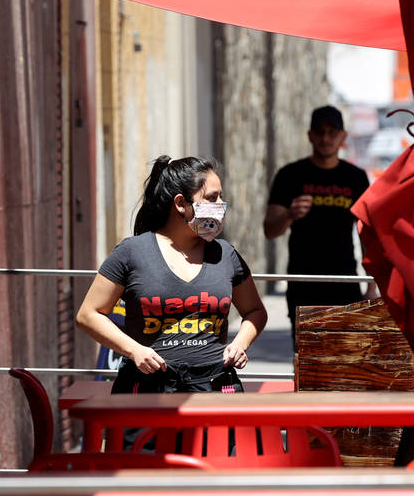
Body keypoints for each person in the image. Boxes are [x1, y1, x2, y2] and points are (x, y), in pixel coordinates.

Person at [76, 155, 267, 393]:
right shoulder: (132, 252)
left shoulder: (226, 255)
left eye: (220, 197)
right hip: (147, 388)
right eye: (211, 198)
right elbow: (88, 315)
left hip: (215, 386)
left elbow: (255, 311)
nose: (221, 205)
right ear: (180, 203)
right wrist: (134, 350)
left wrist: (240, 343)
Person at [264, 105, 371, 337]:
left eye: (332, 132)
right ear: (310, 135)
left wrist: (372, 286)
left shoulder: (356, 178)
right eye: (320, 132)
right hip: (303, 282)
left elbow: (368, 235)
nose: (325, 138)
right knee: (306, 363)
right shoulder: (290, 175)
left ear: (342, 137)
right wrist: (289, 215)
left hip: (345, 282)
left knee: (345, 360)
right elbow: (270, 230)